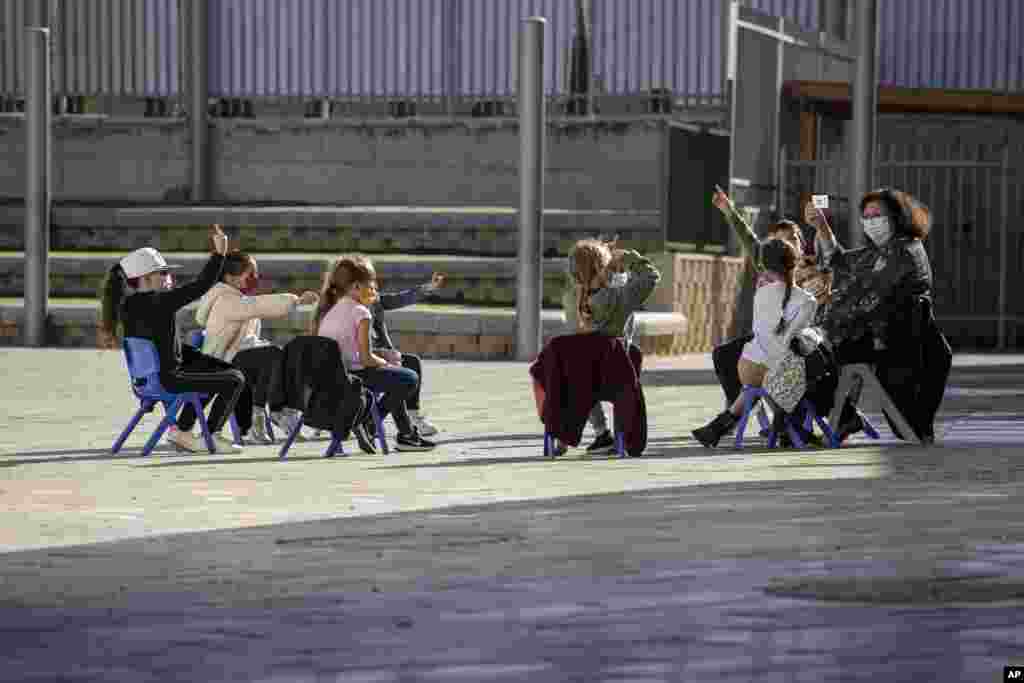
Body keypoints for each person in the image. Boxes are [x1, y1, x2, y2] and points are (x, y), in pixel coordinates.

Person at [809, 187, 950, 444]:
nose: (871, 221)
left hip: (907, 350)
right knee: (819, 360)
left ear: (896, 217)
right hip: (881, 340)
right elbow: (839, 262)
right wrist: (821, 226)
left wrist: (824, 323)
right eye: (867, 215)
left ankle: (846, 418)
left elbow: (869, 296)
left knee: (908, 427)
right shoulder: (877, 251)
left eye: (878, 215)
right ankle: (844, 418)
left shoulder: (904, 249)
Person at [98, 225, 248, 453]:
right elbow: (200, 286)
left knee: (215, 368)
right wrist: (219, 254)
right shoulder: (158, 301)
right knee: (234, 379)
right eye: (163, 273)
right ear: (146, 278)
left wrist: (193, 355)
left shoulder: (128, 305)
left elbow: (158, 342)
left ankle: (182, 432)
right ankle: (206, 434)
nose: (169, 277)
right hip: (169, 379)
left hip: (150, 379)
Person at [710, 189, 833, 410]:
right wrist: (728, 210)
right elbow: (749, 239)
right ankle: (738, 406)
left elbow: (817, 312)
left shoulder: (816, 270)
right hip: (770, 341)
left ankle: (785, 419)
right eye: (781, 241)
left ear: (802, 243)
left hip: (801, 343)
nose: (788, 243)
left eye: (792, 238)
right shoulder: (770, 269)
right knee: (724, 354)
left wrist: (821, 224)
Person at [693, 238, 818, 447]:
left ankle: (720, 425)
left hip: (747, 366)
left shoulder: (761, 293)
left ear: (766, 267)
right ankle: (789, 426)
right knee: (803, 365)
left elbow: (762, 333)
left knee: (760, 376)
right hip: (779, 373)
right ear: (795, 263)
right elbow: (795, 341)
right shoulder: (808, 301)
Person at [193, 250, 320, 443]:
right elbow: (258, 305)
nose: (255, 278)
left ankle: (281, 412)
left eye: (255, 273)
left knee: (284, 356)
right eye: (249, 274)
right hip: (221, 362)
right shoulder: (225, 299)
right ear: (230, 277)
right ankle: (266, 415)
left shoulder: (237, 298)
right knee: (273, 355)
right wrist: (296, 300)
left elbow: (248, 340)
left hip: (237, 359)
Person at [313, 255, 436, 452]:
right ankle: (369, 421)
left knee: (396, 379)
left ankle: (406, 434)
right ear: (355, 287)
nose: (374, 290)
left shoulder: (329, 309)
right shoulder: (361, 312)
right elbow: (365, 359)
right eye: (370, 285)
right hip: (355, 377)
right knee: (409, 378)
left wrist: (384, 360)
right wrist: (385, 363)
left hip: (335, 377)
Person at [558, 238, 661, 455]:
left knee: (580, 367)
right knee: (628, 356)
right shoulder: (621, 297)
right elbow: (651, 276)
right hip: (616, 381)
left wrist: (603, 263)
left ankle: (601, 433)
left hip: (579, 383)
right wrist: (628, 257)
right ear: (602, 269)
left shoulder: (570, 300)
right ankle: (621, 434)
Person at [368, 271, 448, 437]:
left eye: (375, 287)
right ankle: (381, 424)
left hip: (382, 356)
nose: (374, 291)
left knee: (411, 362)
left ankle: (411, 418)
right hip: (366, 360)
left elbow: (402, 298)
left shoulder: (375, 302)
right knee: (403, 377)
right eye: (370, 286)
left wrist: (429, 287)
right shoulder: (350, 309)